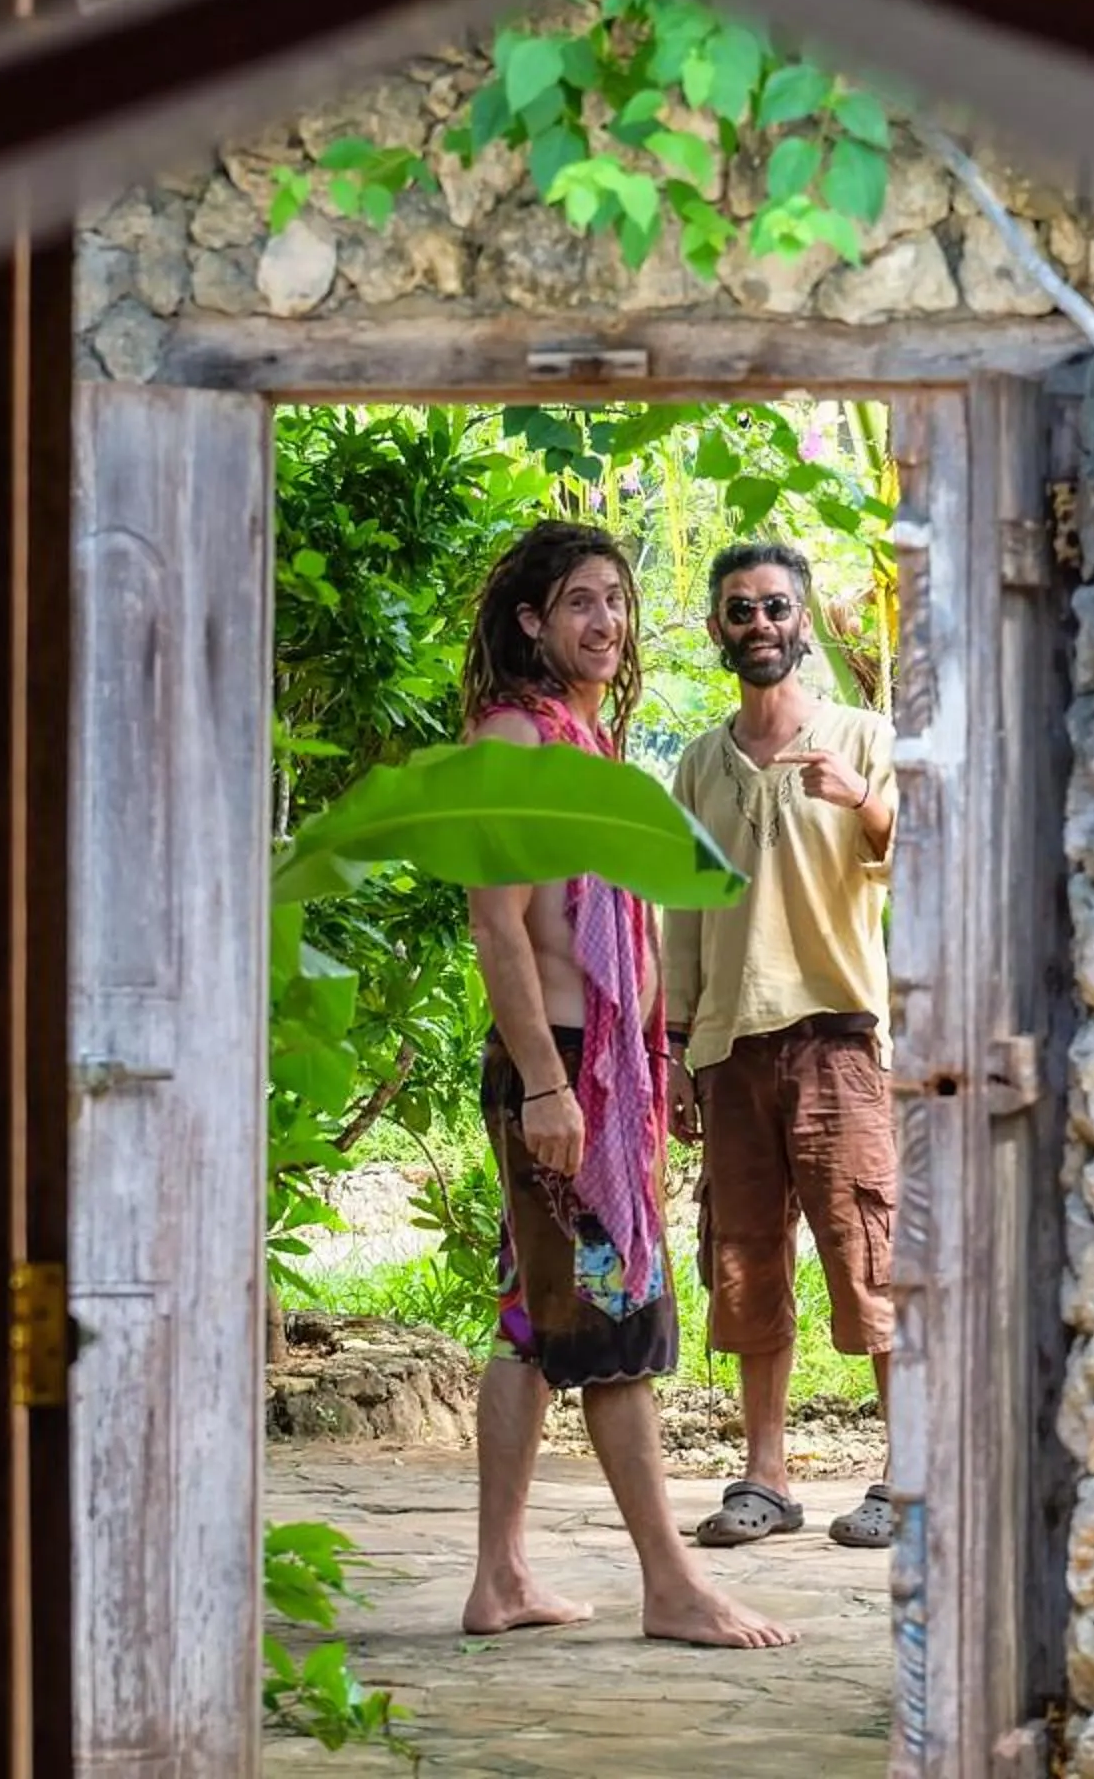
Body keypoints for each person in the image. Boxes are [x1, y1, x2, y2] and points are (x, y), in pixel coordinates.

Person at [454, 519, 797, 1650]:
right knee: (612, 1331)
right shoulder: (515, 736)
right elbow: (499, 930)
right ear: (530, 621)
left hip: (596, 1075)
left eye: (617, 600)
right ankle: (671, 1582)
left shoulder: (586, 743)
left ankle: (500, 1576)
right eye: (581, 602)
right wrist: (552, 1089)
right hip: (558, 1075)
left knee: (533, 1325)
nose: (607, 622)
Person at [662, 540, 901, 1551]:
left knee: (870, 1256)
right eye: (739, 610)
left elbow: (912, 852)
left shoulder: (861, 735)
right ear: (719, 629)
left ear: (802, 622)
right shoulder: (696, 763)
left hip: (838, 1036)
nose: (759, 624)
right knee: (744, 1260)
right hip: (729, 1046)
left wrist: (863, 797)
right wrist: (679, 1043)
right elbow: (680, 911)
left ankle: (910, 1473)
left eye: (774, 607)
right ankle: (765, 1477)